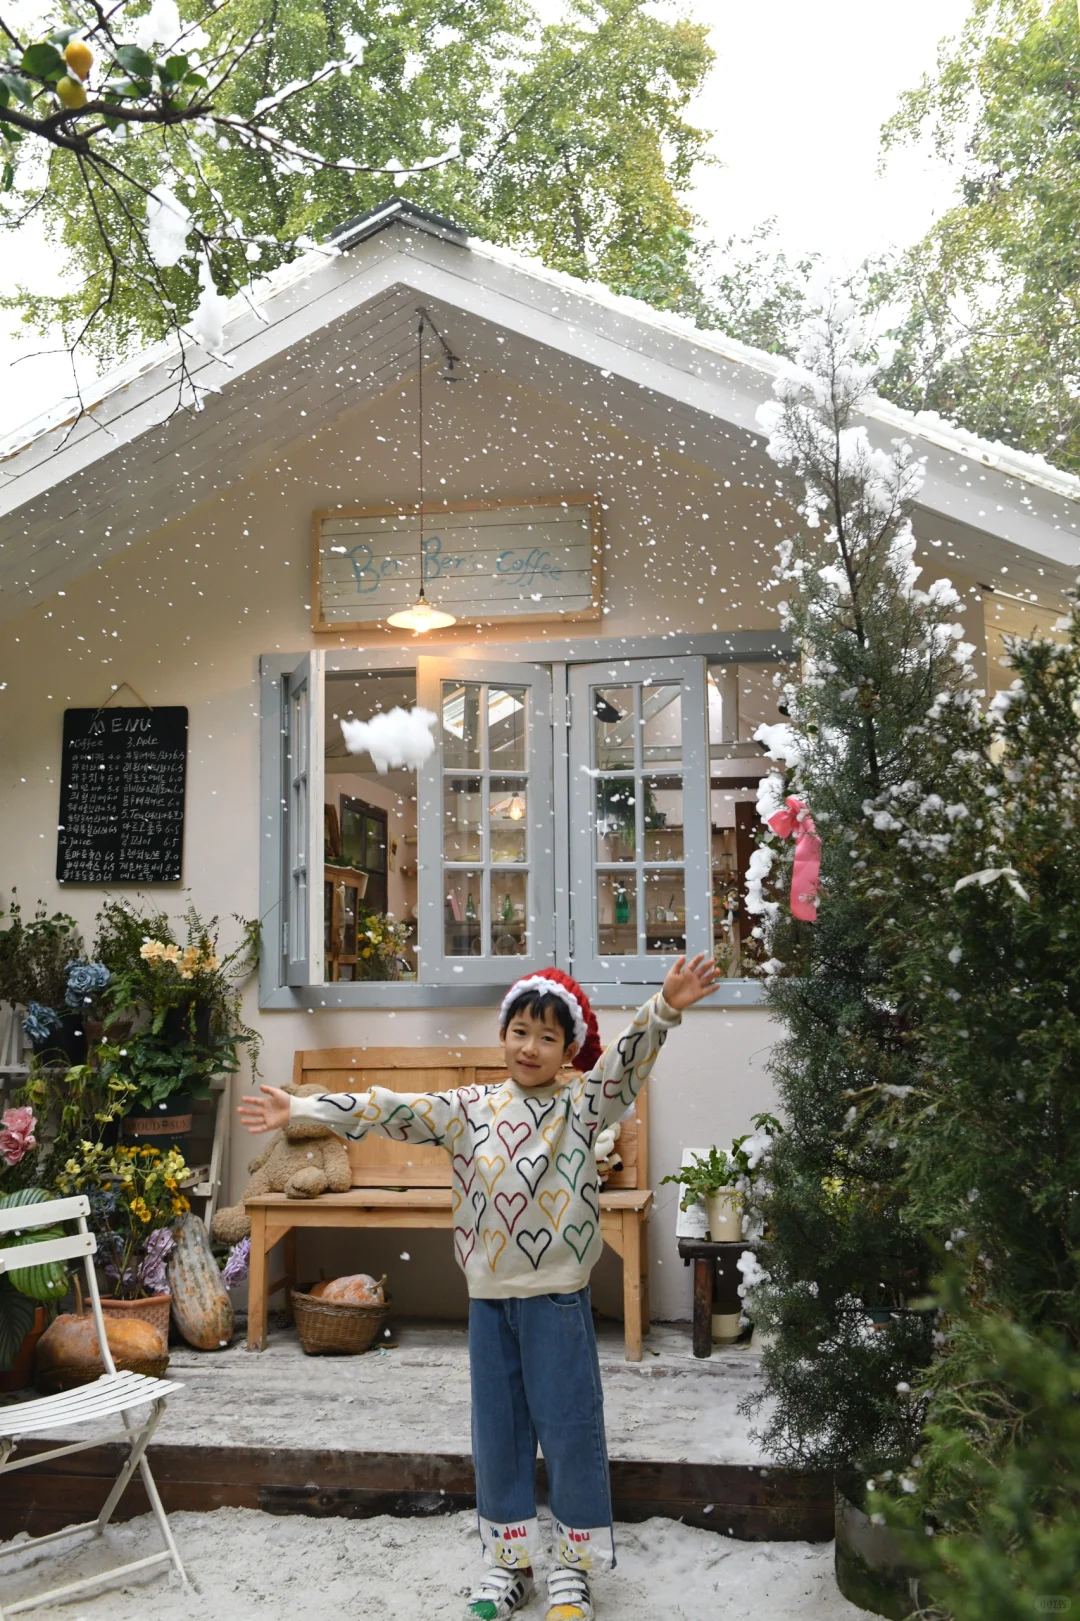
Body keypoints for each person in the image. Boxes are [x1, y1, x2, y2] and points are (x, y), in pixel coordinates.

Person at [238, 955, 719, 1621]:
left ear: (568, 1047)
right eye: (520, 1029)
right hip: (491, 1302)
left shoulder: (582, 1106)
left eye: (548, 1036)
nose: (530, 1046)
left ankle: (574, 1570)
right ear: (504, 1033)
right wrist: (303, 1104)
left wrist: (664, 1006)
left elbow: (627, 1067)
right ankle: (511, 1563)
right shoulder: (469, 1109)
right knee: (499, 1433)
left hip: (557, 1300)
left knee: (571, 1429)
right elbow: (389, 1107)